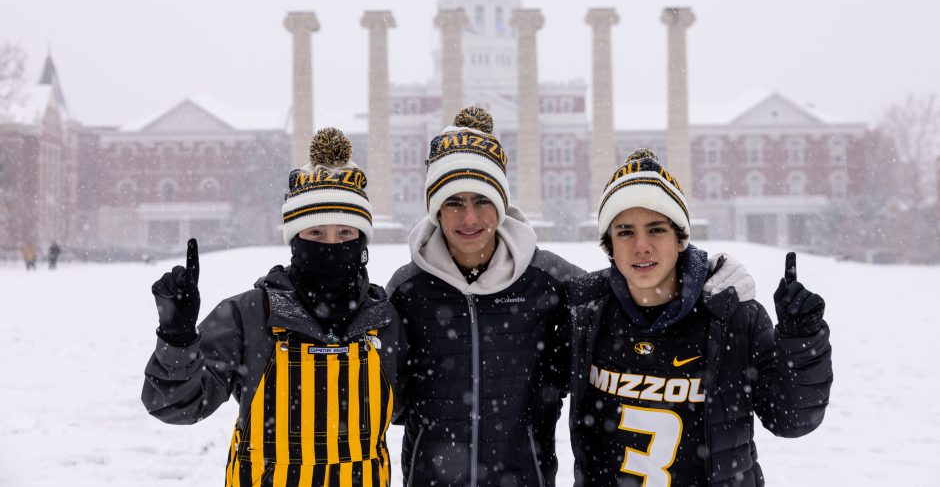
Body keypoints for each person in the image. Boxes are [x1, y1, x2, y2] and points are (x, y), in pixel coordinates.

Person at [388, 108, 755, 487]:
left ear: (501, 204)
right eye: (454, 203)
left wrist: (707, 275)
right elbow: (386, 397)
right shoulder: (407, 290)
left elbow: (639, 290)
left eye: (482, 201)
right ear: (435, 210)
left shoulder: (551, 281)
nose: (469, 219)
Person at [142, 127, 407, 487]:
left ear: (362, 240)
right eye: (316, 234)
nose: (331, 245)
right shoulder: (249, 316)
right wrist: (177, 339)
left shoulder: (387, 320)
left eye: (345, 233)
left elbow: (429, 406)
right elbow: (174, 405)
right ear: (295, 240)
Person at [569, 149, 833, 486]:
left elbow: (792, 419)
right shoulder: (585, 316)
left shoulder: (734, 317)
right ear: (609, 245)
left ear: (680, 239)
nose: (641, 246)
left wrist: (801, 339)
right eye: (625, 232)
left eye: (656, 230)